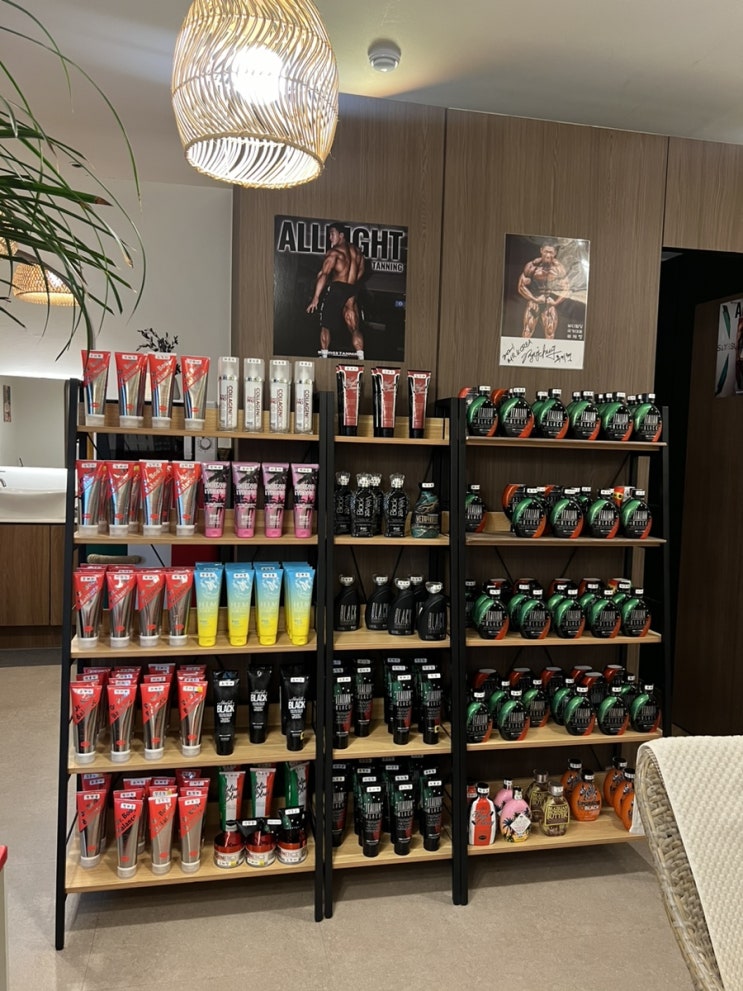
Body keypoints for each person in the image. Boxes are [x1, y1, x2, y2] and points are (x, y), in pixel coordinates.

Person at [306, 222, 365, 359]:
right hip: (352, 289)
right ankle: (361, 356)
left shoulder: (334, 252)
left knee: (325, 325)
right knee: (354, 327)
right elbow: (361, 272)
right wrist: (349, 282)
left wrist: (315, 297)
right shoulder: (358, 252)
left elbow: (325, 274)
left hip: (337, 289)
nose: (330, 238)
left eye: (332, 234)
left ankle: (324, 356)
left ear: (341, 235)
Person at [517, 242, 571, 339]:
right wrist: (534, 299)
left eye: (551, 252)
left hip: (549, 304)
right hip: (534, 301)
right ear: (541, 251)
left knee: (550, 335)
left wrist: (555, 302)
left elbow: (567, 289)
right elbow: (521, 287)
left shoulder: (558, 268)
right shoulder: (532, 266)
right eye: (546, 252)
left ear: (555, 253)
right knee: (527, 332)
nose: (548, 255)